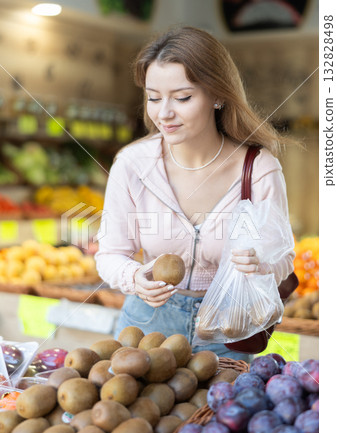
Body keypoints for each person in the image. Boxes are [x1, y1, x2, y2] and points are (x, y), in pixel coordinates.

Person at [95, 26, 295, 363]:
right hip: (145, 326)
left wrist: (261, 263)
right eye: (154, 97)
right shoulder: (132, 165)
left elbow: (284, 259)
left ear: (217, 96)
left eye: (182, 97)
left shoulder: (258, 168)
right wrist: (135, 277)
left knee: (214, 414)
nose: (164, 113)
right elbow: (109, 254)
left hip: (227, 327)